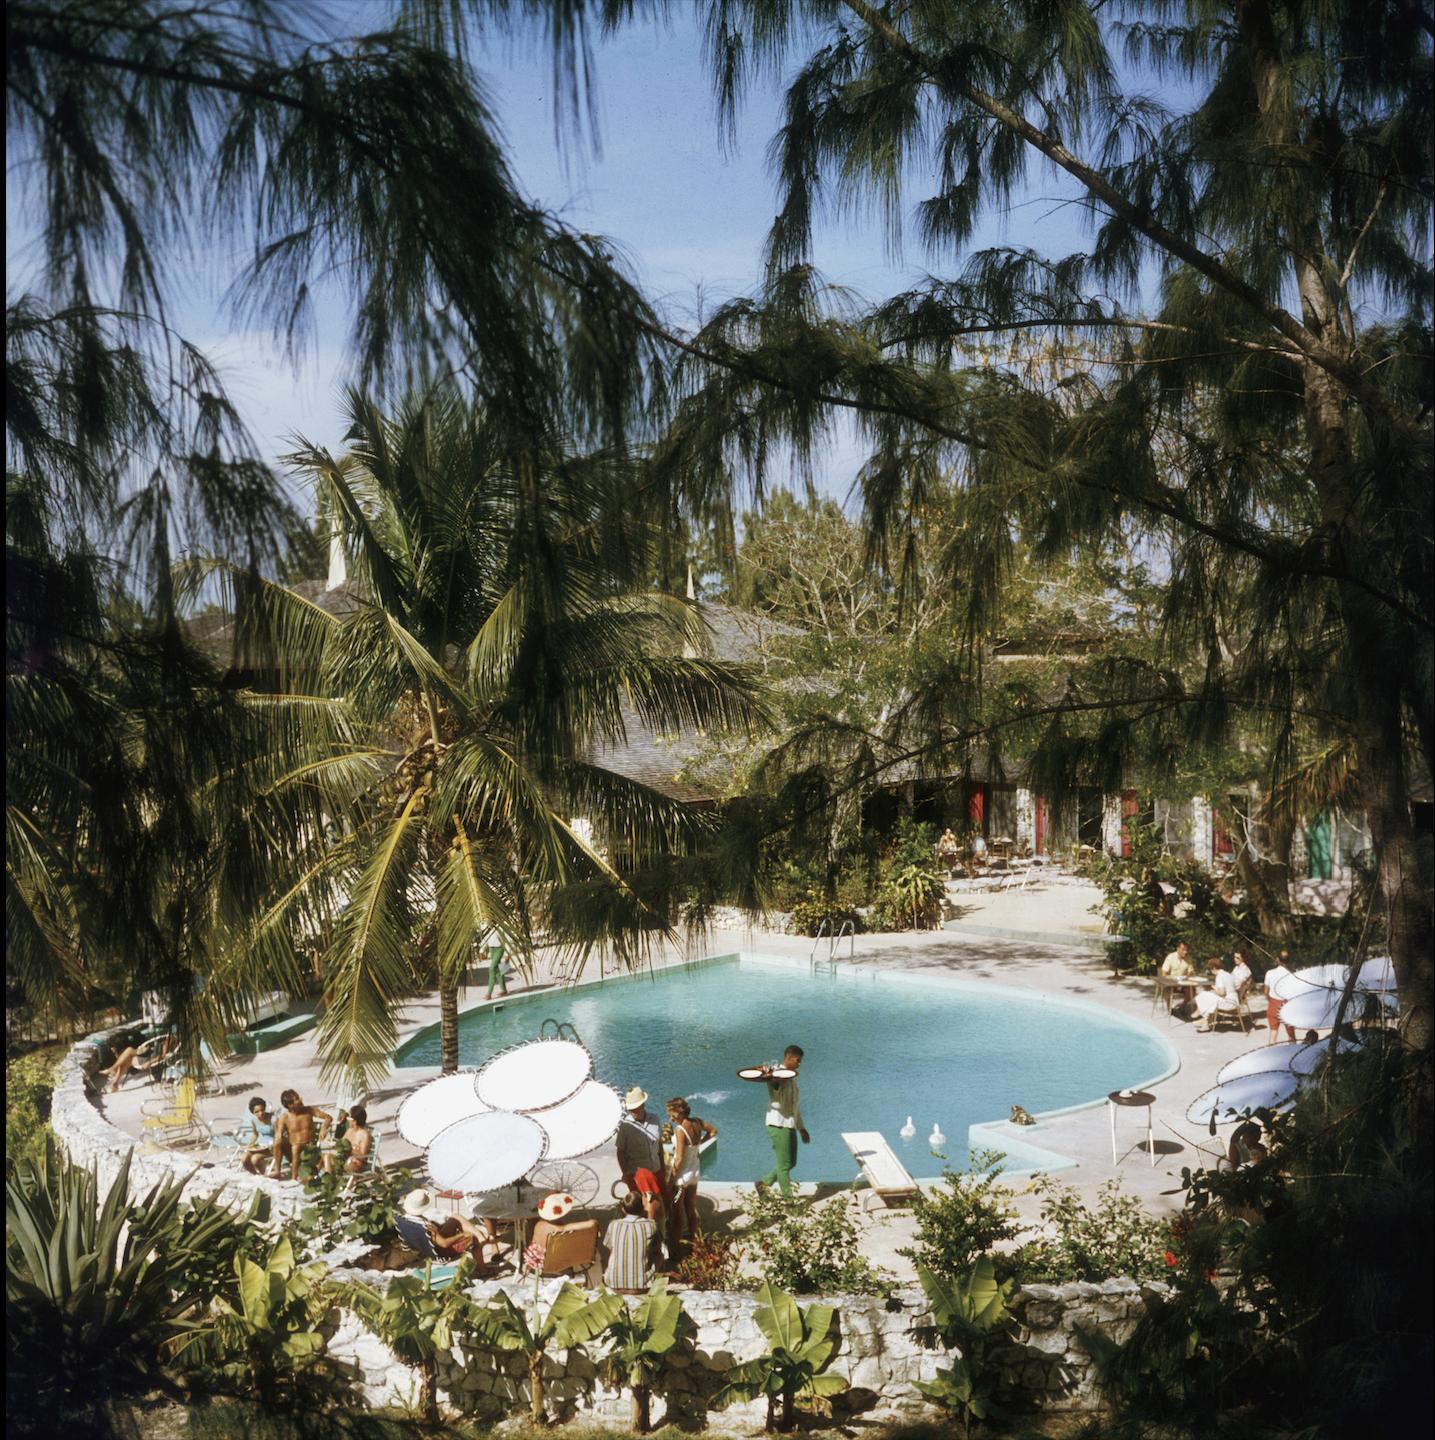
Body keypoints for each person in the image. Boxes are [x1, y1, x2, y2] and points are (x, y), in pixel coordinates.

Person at [755, 1045, 808, 1198]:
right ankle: (789, 1201)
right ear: (789, 1058)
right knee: (784, 1166)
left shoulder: (792, 1077)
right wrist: (770, 1078)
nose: (800, 1064)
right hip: (777, 1125)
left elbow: (794, 1107)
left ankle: (763, 1184)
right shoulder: (777, 1073)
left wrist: (802, 1128)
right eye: (798, 1060)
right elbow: (775, 1082)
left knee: (791, 1162)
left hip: (789, 1124)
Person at [665, 1096, 717, 1253]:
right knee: (691, 1209)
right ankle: (696, 1243)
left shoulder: (680, 1131)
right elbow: (713, 1131)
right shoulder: (697, 1122)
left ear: (679, 1112)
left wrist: (670, 1181)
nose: (670, 1118)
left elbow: (679, 1159)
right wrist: (700, 1142)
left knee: (677, 1213)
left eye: (672, 1114)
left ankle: (674, 1248)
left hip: (681, 1178)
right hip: (694, 1173)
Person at [616, 1087, 668, 1236]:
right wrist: (625, 1173)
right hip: (638, 1173)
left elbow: (659, 1145)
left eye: (635, 1108)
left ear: (643, 1105)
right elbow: (620, 1152)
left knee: (662, 1203)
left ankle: (661, 1233)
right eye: (630, 1109)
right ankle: (646, 1235)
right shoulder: (626, 1126)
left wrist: (663, 1167)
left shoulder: (655, 1119)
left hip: (656, 1168)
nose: (633, 1111)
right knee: (646, 1206)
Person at [401, 1189, 496, 1261]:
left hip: (429, 1247)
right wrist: (461, 1235)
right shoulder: (426, 1225)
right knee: (472, 1238)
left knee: (455, 1218)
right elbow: (444, 1243)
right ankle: (483, 1271)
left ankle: (480, 1236)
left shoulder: (407, 1219)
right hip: (441, 1252)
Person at [603, 1190, 660, 1294]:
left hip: (614, 1285)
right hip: (642, 1286)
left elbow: (609, 1249)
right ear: (643, 1207)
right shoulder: (651, 1226)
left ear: (624, 1210)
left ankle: (615, 1274)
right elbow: (657, 1250)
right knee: (660, 1253)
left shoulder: (613, 1225)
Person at [272, 1089, 332, 1180]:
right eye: (296, 1099)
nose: (300, 1100)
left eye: (298, 1097)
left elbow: (328, 1118)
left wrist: (324, 1128)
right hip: (292, 1150)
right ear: (290, 1105)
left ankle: (294, 1178)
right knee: (278, 1143)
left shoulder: (309, 1110)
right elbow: (278, 1133)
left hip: (308, 1149)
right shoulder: (284, 1117)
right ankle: (277, 1171)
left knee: (296, 1147)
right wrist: (278, 1136)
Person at [97, 1031, 176, 1091]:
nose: (165, 1040)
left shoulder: (170, 1041)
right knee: (127, 1058)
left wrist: (150, 1062)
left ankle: (112, 1071)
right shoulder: (166, 1041)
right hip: (147, 1056)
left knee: (128, 1051)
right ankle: (114, 1083)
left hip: (147, 1060)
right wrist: (149, 1048)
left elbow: (163, 1056)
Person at [322, 1102, 373, 1175]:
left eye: (348, 1117)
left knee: (329, 1159)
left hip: (357, 1163)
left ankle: (330, 1181)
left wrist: (349, 1149)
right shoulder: (350, 1130)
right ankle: (325, 1179)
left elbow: (362, 1155)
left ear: (354, 1121)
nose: (347, 1119)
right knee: (324, 1156)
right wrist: (335, 1143)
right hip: (345, 1158)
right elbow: (341, 1143)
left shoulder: (364, 1135)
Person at [1262, 950, 1298, 1044]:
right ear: (1289, 961)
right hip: (1286, 1005)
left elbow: (1266, 992)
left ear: (1277, 959)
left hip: (1273, 1004)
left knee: (1273, 1033)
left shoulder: (1269, 973)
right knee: (1291, 1034)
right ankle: (1293, 1054)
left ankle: (1270, 1054)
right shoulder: (1292, 975)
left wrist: (1270, 1000)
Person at [1194, 958, 1240, 1031]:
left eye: (1211, 969)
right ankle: (1205, 1020)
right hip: (1234, 1001)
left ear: (1214, 968)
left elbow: (1222, 993)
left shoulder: (1219, 976)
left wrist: (1213, 988)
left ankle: (1203, 1018)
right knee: (1207, 995)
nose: (1211, 971)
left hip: (1228, 1003)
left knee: (1203, 995)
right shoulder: (1227, 974)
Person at [238, 1095, 276, 1174]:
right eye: (257, 1112)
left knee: (254, 1159)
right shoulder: (253, 1120)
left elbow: (280, 1135)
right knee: (244, 1158)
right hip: (261, 1145)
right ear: (253, 1112)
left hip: (273, 1146)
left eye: (262, 1110)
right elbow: (255, 1135)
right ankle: (256, 1175)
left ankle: (263, 1174)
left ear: (265, 1108)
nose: (261, 1113)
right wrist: (249, 1145)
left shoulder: (272, 1118)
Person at [1159, 941, 1198, 1017]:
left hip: (1183, 983)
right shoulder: (1170, 957)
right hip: (1171, 983)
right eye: (1183, 950)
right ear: (1178, 949)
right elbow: (1164, 973)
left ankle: (1182, 1007)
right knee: (1166, 990)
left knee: (1192, 991)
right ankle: (1169, 1007)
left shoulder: (1188, 958)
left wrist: (1188, 975)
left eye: (1186, 950)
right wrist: (1171, 981)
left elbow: (1191, 972)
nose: (1185, 952)